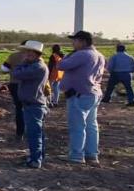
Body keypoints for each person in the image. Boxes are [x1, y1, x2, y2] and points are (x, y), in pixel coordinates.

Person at [58, 31, 106, 165]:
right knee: (91, 126)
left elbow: (61, 65)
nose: (73, 43)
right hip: (93, 93)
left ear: (83, 42)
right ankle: (91, 154)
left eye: (75, 41)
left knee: (78, 126)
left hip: (79, 94)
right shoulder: (99, 55)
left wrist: (69, 55)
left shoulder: (82, 54)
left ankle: (77, 156)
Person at [10, 41, 50, 168]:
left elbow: (15, 73)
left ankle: (35, 160)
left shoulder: (36, 67)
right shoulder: (36, 65)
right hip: (34, 104)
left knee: (34, 133)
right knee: (37, 132)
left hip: (33, 104)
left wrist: (22, 63)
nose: (26, 54)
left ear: (35, 53)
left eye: (28, 52)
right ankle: (38, 156)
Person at [1, 42, 29, 140]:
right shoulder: (34, 57)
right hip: (29, 85)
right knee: (29, 108)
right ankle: (29, 131)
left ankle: (19, 133)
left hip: (14, 83)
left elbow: (4, 68)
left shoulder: (13, 56)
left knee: (19, 108)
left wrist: (12, 70)